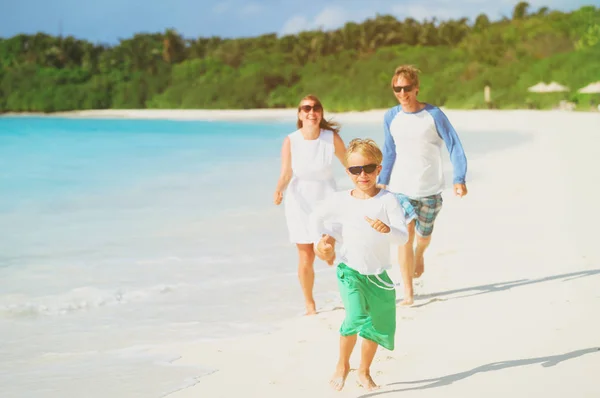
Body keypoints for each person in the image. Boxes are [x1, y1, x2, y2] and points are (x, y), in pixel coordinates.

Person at [309, 138, 411, 391]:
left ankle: (364, 371)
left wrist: (387, 229)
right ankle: (343, 364)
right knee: (356, 316)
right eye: (355, 170)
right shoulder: (340, 200)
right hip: (350, 270)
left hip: (378, 275)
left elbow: (403, 236)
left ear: (379, 169)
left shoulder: (388, 200)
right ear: (348, 172)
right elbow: (316, 217)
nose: (362, 174)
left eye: (368, 168)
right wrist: (319, 242)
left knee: (377, 326)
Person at [377, 64, 468, 306]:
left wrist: (459, 178)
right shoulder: (391, 117)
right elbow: (388, 152)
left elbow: (454, 145)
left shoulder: (434, 115)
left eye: (407, 88)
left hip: (429, 189)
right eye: (397, 89)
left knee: (423, 237)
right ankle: (408, 292)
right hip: (400, 189)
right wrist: (381, 182)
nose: (402, 93)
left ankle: (420, 254)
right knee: (404, 236)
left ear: (416, 88)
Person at [273, 94, 347, 315]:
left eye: (315, 108)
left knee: (327, 247)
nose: (311, 112)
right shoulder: (291, 140)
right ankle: (309, 303)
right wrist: (279, 190)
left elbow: (347, 163)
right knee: (306, 255)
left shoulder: (330, 137)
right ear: (300, 114)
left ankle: (332, 260)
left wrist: (366, 186)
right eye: (306, 108)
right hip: (300, 201)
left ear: (321, 112)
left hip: (327, 198)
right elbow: (286, 172)